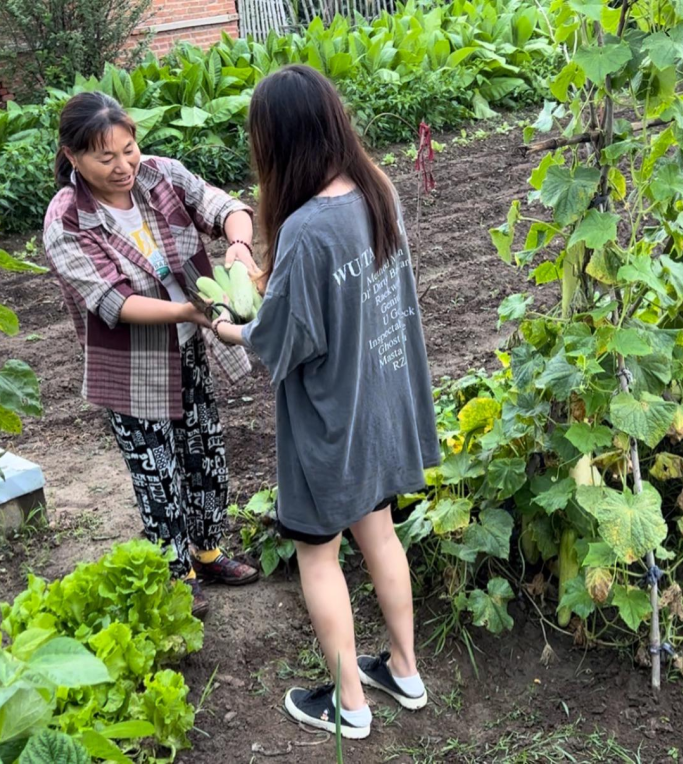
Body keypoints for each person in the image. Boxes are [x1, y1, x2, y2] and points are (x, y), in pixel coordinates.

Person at [210, 65, 439, 740]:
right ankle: (404, 670)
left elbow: (283, 338)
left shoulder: (308, 227)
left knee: (318, 556)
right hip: (381, 404)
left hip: (330, 420)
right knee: (380, 532)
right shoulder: (377, 190)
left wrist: (228, 325)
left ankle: (350, 705)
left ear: (278, 142)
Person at [42, 92, 260, 616]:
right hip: (131, 363)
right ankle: (175, 572)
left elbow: (226, 207)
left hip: (189, 347)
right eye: (106, 157)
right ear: (73, 157)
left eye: (129, 149)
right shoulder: (67, 220)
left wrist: (239, 246)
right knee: (156, 471)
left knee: (205, 452)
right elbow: (114, 301)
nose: (123, 166)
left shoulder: (160, 175)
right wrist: (190, 312)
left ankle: (207, 552)